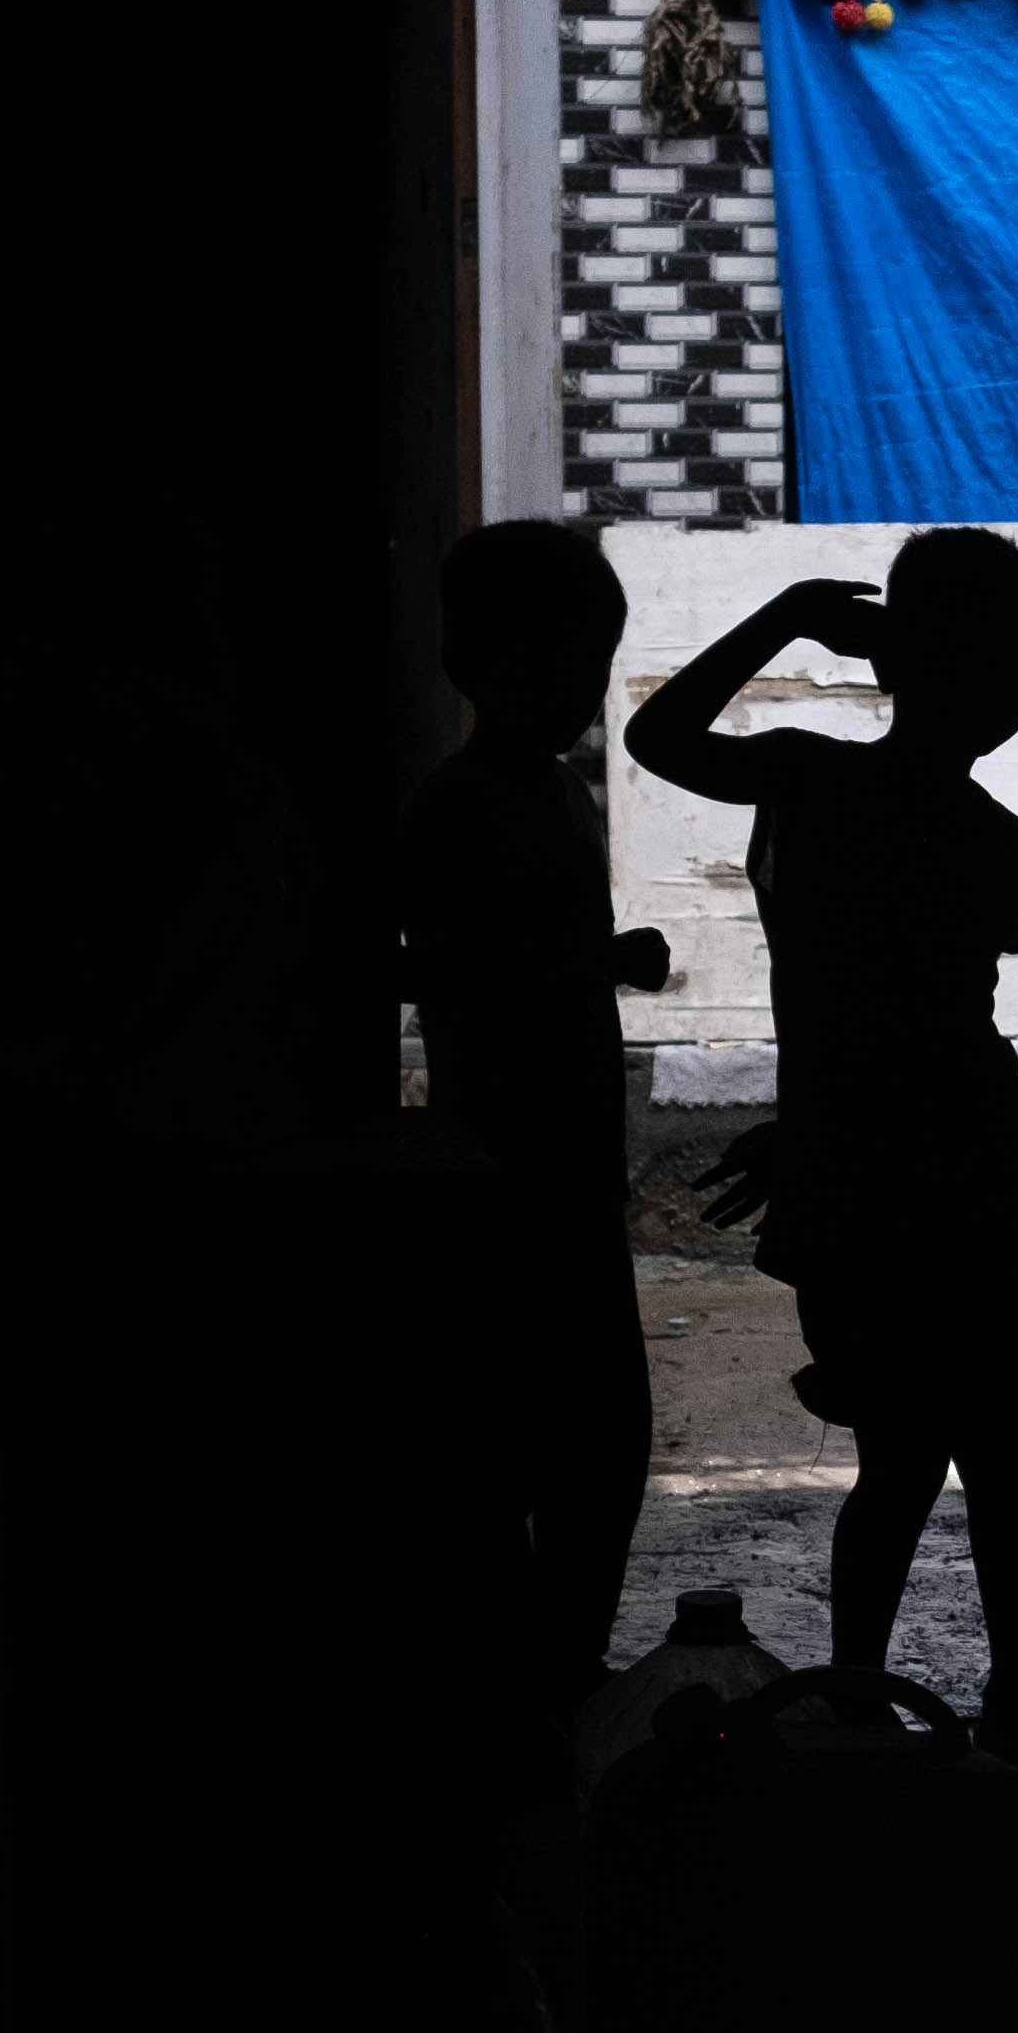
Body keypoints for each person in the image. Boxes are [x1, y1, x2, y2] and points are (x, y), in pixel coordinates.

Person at [620, 527, 1018, 1799]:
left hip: (854, 1166)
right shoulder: (1001, 848)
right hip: (967, 1164)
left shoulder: (805, 786)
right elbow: (943, 989)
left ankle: (864, 1685)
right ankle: (1014, 1697)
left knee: (894, 1459)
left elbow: (659, 741)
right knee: (996, 1455)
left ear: (885, 661)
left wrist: (786, 617)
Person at [396, 523, 671, 1704]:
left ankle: (549, 1668)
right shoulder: (463, 808)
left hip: (561, 1171)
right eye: (562, 668)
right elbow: (455, 973)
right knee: (559, 1445)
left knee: (588, 1446)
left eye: (592, 668)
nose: (581, 694)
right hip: (512, 1177)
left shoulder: (540, 793)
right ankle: (537, 1677)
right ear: (475, 662)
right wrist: (600, 961)